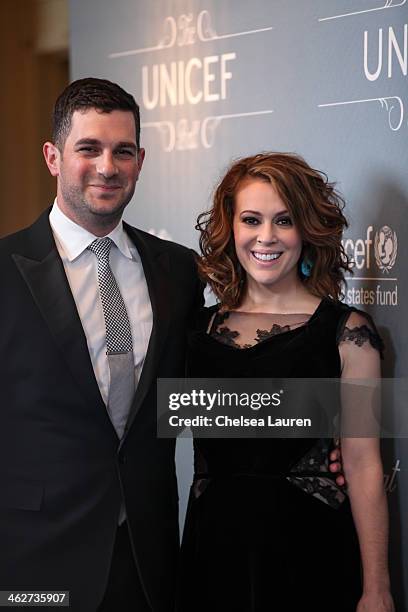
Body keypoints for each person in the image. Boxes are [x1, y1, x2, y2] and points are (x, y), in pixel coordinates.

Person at [0, 78, 203, 612]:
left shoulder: (179, 271)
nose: (107, 167)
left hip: (147, 557)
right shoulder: (4, 271)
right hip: (33, 561)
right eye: (88, 148)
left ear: (141, 159)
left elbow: (202, 388)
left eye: (123, 151)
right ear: (53, 157)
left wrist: (318, 430)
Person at [178, 153, 394, 611]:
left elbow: (362, 465)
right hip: (213, 553)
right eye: (251, 220)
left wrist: (377, 588)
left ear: (307, 230)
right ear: (230, 227)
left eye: (284, 220)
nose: (266, 237)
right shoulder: (195, 332)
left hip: (311, 551)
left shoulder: (348, 332)